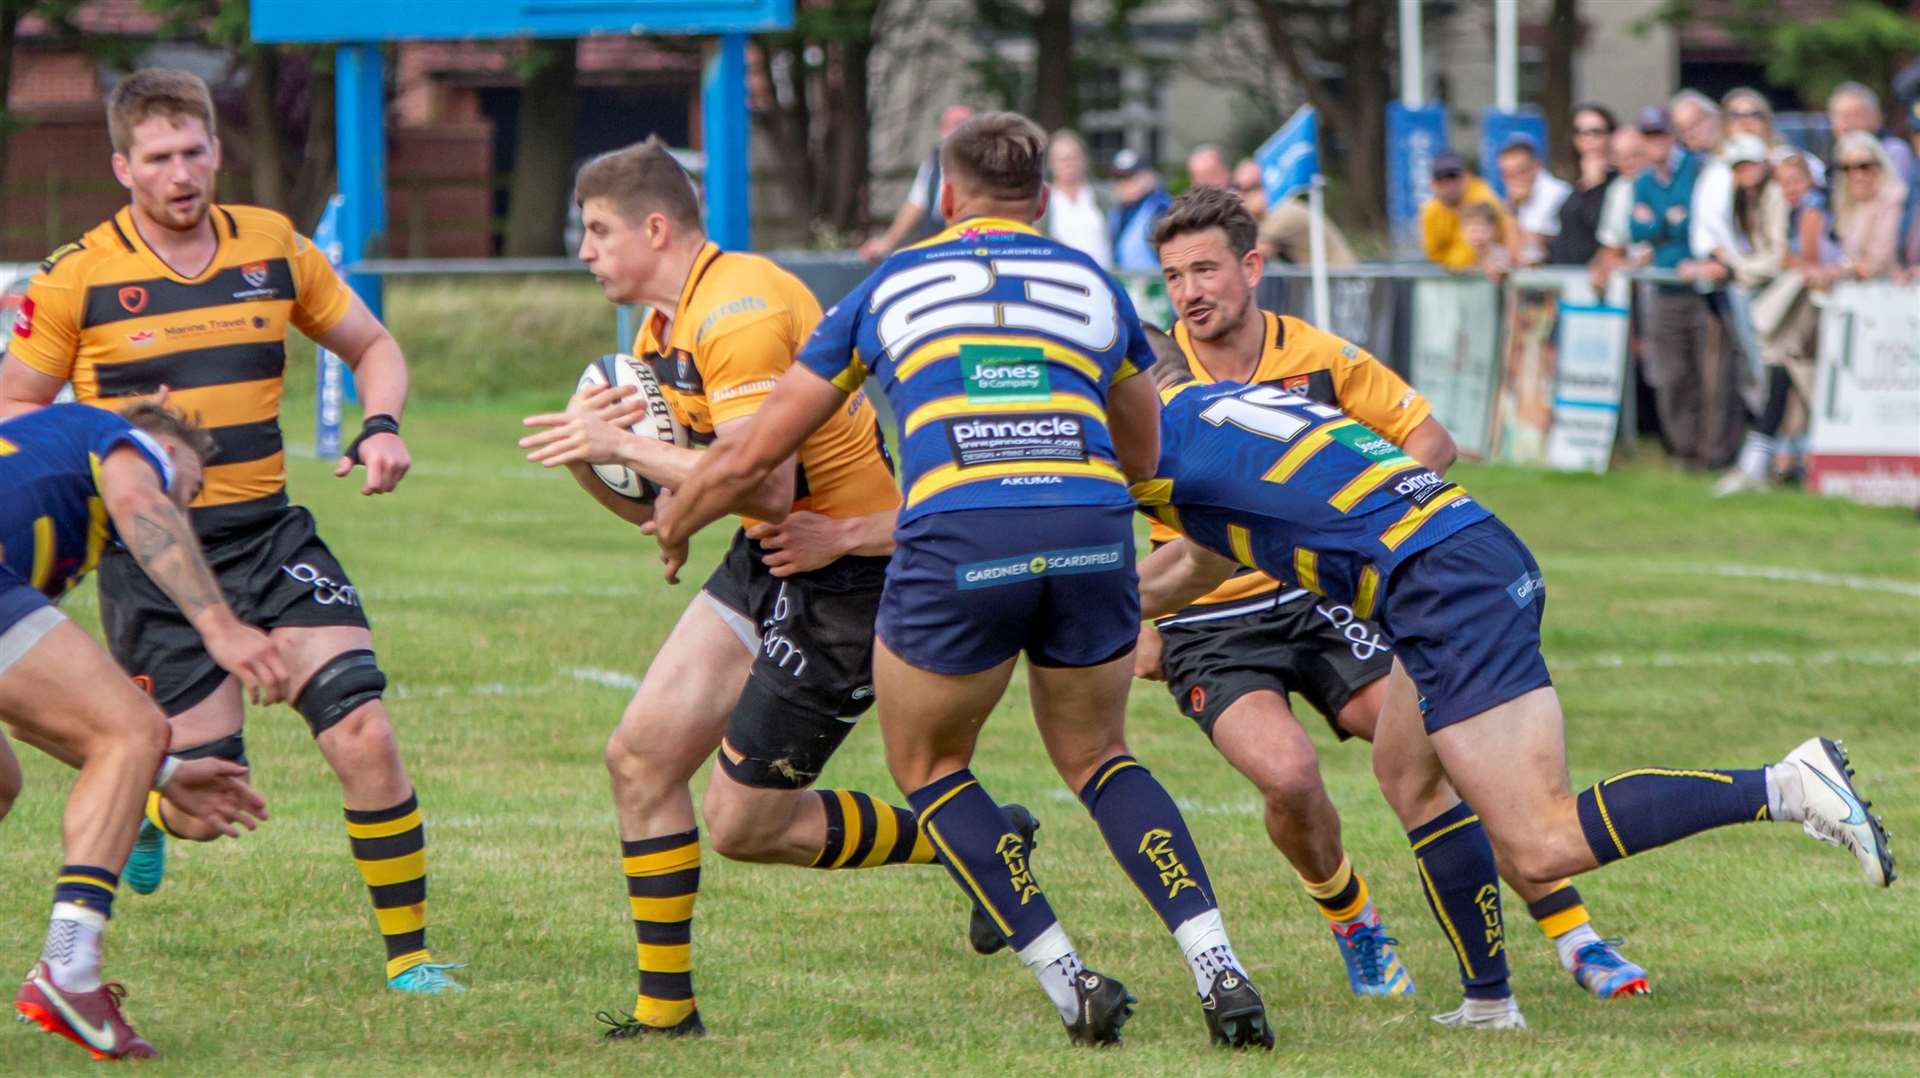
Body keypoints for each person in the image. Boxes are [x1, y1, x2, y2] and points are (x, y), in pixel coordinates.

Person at [657, 111, 1275, 1050]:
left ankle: (1075, 986)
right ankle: (1219, 967)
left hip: (959, 537)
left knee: (931, 765)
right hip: (1087, 528)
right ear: (1039, 198)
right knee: (1100, 756)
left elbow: (763, 446)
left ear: (946, 198)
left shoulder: (892, 282)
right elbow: (1144, 449)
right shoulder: (1094, 283)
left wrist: (678, 516)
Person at [1135, 375, 1894, 1030]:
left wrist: (1050, 600)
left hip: (1440, 584)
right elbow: (1197, 564)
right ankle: (1489, 1005)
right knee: (1409, 776)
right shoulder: (1211, 413)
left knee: (1541, 840)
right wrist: (1109, 607)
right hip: (1459, 553)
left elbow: (1075, 521)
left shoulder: (1148, 445)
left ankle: (1788, 786)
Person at [0, 69, 462, 993]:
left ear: (218, 150)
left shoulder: (273, 247)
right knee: (204, 793)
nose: (182, 174)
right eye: (160, 158)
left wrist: (382, 426)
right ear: (122, 165)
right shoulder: (77, 276)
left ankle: (411, 962)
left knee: (362, 729)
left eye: (196, 151)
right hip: (153, 561)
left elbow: (372, 347)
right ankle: (144, 814)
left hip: (268, 536)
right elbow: (17, 409)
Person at [1141, 187, 1649, 1001]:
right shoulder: (1154, 384)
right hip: (1210, 618)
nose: (1190, 292)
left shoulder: (1316, 355)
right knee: (1289, 779)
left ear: (1252, 266)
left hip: (1329, 595)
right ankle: (1356, 924)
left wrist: (1359, 519)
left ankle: (1574, 935)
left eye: (1204, 269)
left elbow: (1429, 440)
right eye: (1172, 277)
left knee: (1444, 747)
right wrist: (1127, 618)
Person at [517, 137, 954, 1039]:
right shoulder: (655, 335)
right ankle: (665, 1014)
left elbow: (763, 483)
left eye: (597, 231)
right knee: (638, 759)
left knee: (745, 825)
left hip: (851, 571)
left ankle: (971, 844)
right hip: (770, 559)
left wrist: (626, 448)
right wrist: (593, 458)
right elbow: (667, 506)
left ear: (654, 226)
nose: (586, 250)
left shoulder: (741, 308)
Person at [3, 401, 282, 1059]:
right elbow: (138, 496)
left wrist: (167, 774)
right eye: (192, 491)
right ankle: (68, 970)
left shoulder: (47, 494)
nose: (186, 507)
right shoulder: (128, 443)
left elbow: (24, 711)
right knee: (133, 725)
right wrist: (221, 627)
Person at [1715, 149, 1820, 496]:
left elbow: (1802, 260)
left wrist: (1737, 267)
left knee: (1797, 377)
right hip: (1803, 303)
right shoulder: (1794, 209)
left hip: (1814, 304)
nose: (1789, 188)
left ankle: (1764, 458)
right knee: (1789, 376)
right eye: (1784, 181)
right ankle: (1771, 459)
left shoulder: (1813, 207)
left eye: (1796, 180)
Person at [1630, 103, 1717, 469]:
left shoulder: (1694, 169)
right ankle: (1683, 451)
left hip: (1698, 289)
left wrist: (1659, 225)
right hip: (1664, 290)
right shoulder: (1644, 182)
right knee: (1671, 376)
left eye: (1661, 135)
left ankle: (1709, 451)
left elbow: (1691, 223)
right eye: (1649, 137)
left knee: (1706, 374)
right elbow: (1637, 231)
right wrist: (1668, 221)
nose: (1656, 143)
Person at [859, 105, 974, 263]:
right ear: (942, 130)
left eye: (962, 125)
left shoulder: (979, 165)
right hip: (935, 241)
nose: (955, 132)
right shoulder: (933, 163)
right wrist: (887, 242)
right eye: (951, 125)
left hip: (968, 242)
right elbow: (915, 204)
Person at [1813, 131, 1908, 286]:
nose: (1857, 175)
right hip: (1859, 289)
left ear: (1880, 165)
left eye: (1864, 166)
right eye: (1847, 168)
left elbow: (1880, 260)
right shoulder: (1847, 203)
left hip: (1893, 289)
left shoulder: (1893, 197)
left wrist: (1842, 270)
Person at [1548, 103, 1616, 266]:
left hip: (1598, 280)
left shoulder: (1618, 182)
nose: (1589, 139)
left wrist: (1595, 184)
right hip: (1566, 277)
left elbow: (1601, 227)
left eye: (1596, 132)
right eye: (1581, 132)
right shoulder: (1571, 183)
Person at [1420, 151, 1510, 271]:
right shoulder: (1430, 210)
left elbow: (1468, 254)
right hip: (1457, 279)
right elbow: (1433, 254)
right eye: (1442, 179)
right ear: (1432, 184)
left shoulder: (1483, 200)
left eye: (1453, 177)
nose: (1449, 185)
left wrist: (1451, 262)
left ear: (1467, 178)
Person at [1590, 123, 1651, 289]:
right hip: (1637, 287)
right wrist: (1600, 268)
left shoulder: (1664, 181)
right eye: (1622, 157)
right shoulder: (1618, 190)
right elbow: (1611, 246)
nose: (1630, 162)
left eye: (1636, 155)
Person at [1827, 82, 1919, 192]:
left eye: (1857, 115)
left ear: (1877, 117)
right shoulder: (1835, 156)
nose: (1849, 123)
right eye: (1843, 116)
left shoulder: (1893, 152)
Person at [1496, 136, 1570, 266]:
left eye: (1521, 171)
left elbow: (1526, 254)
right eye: (1508, 174)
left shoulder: (1553, 192)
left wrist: (1512, 211)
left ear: (1537, 166)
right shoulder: (1520, 198)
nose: (1515, 179)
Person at [1044, 129, 1112, 269]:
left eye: (1073, 157)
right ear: (1051, 164)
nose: (1069, 163)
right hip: (1060, 279)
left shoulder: (1104, 196)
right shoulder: (1043, 201)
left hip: (1104, 277)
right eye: (1062, 159)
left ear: (1084, 159)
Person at [1109, 148, 1174, 273]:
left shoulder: (1162, 210)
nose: (1124, 184)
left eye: (1130, 177)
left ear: (1148, 176)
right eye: (1119, 178)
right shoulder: (1117, 212)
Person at [1461, 202, 1513, 279]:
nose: (1477, 236)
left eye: (1482, 231)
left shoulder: (1499, 254)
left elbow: (1502, 272)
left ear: (1493, 230)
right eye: (1472, 231)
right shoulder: (1467, 255)